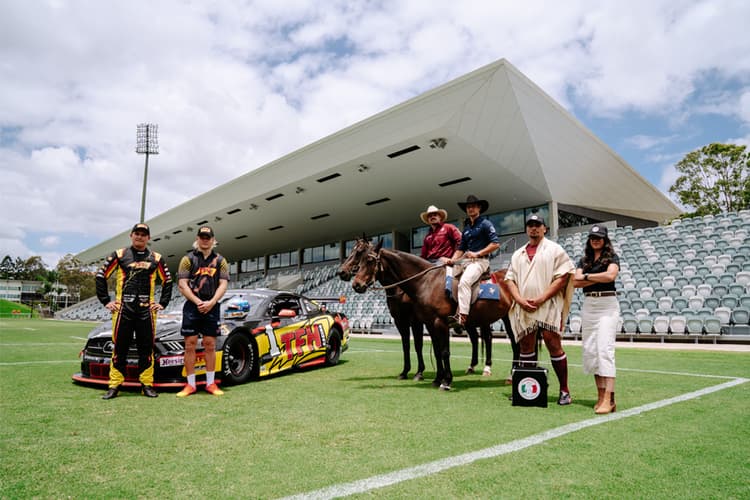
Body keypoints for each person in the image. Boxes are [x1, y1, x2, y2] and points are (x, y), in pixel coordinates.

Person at [96, 223, 172, 399]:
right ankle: (114, 385)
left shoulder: (156, 257)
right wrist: (106, 301)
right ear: (131, 235)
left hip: (147, 311)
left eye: (143, 234)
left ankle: (146, 384)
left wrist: (162, 303)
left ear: (148, 238)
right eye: (137, 233)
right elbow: (101, 275)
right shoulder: (119, 254)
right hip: (123, 310)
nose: (140, 237)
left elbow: (167, 280)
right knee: (119, 348)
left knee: (146, 348)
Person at [505, 213, 575, 405]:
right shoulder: (517, 254)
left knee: (553, 344)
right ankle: (525, 389)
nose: (534, 228)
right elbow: (509, 280)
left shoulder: (555, 249)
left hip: (548, 305)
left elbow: (563, 277)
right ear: (526, 229)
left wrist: (542, 298)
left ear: (545, 228)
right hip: (524, 306)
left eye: (538, 225)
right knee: (526, 346)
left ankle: (564, 390)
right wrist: (519, 299)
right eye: (530, 225)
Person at [176, 226, 229, 397]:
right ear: (197, 238)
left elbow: (223, 284)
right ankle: (190, 385)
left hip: (212, 306)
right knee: (190, 344)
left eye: (208, 237)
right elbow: (182, 284)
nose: (205, 240)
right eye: (202, 237)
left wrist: (212, 302)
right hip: (193, 306)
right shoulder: (187, 259)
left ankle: (210, 383)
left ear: (213, 240)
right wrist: (199, 302)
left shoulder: (221, 260)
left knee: (210, 345)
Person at [573, 225, 620, 414]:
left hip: (607, 304)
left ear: (605, 239)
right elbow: (575, 282)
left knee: (604, 349)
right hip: (589, 305)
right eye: (593, 237)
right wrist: (596, 278)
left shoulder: (612, 258)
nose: (596, 240)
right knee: (591, 351)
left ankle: (609, 398)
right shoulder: (584, 259)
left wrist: (587, 276)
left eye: (599, 237)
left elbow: (611, 276)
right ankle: (601, 395)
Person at [446, 195, 500, 326]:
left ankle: (462, 317)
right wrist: (452, 260)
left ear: (479, 208)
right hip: (465, 261)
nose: (470, 209)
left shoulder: (486, 224)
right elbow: (461, 248)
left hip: (480, 262)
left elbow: (495, 244)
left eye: (473, 206)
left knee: (464, 282)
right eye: (468, 207)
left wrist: (477, 253)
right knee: (445, 279)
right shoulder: (466, 229)